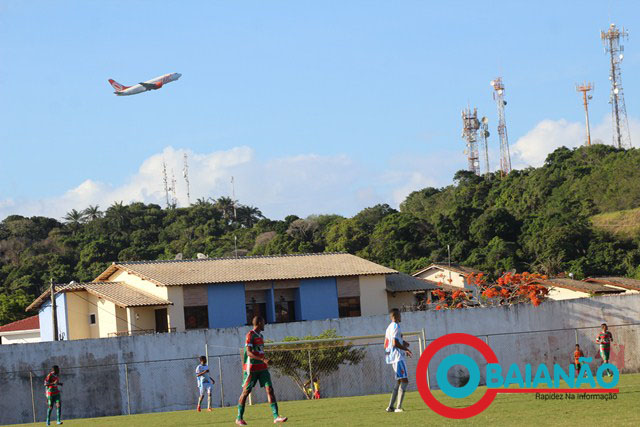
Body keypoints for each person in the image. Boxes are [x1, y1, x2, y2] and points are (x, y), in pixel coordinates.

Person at [236, 316, 287, 425]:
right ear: (259, 323)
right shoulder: (250, 335)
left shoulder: (261, 336)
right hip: (251, 368)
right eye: (263, 322)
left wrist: (265, 360)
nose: (265, 324)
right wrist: (263, 359)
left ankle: (276, 416)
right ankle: (239, 417)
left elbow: (259, 351)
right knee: (246, 392)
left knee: (270, 389)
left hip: (262, 368)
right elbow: (249, 352)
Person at [384, 308, 412, 413]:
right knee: (405, 380)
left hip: (393, 357)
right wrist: (406, 349)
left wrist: (404, 343)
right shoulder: (396, 326)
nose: (401, 316)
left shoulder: (389, 327)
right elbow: (394, 343)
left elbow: (386, 344)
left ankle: (390, 407)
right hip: (398, 357)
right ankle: (398, 407)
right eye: (400, 315)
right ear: (396, 316)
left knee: (399, 381)